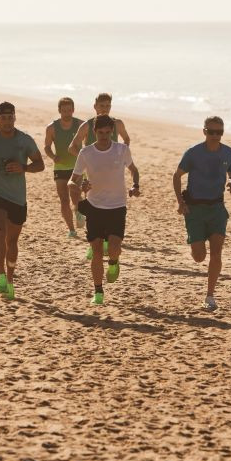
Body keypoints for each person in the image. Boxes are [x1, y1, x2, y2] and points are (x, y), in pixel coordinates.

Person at [0, 102, 44, 301]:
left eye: (10, 117)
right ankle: (0, 274)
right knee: (0, 231)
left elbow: (40, 164)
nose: (6, 121)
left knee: (12, 241)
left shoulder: (24, 140)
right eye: (3, 118)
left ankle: (10, 279)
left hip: (18, 198)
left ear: (14, 118)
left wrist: (24, 167)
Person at [68, 115, 140, 306]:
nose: (104, 136)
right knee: (97, 250)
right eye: (101, 133)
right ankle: (98, 291)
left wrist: (135, 184)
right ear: (94, 132)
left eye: (108, 132)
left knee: (114, 248)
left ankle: (114, 262)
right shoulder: (86, 153)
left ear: (112, 132)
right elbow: (72, 179)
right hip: (95, 206)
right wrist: (78, 187)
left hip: (117, 206)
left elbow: (134, 169)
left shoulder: (122, 149)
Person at [172, 116, 231, 312]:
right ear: (204, 132)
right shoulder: (193, 153)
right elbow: (177, 176)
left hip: (217, 208)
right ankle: (196, 246)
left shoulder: (229, 152)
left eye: (219, 132)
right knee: (199, 256)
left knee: (217, 252)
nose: (215, 136)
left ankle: (210, 295)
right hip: (195, 209)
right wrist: (181, 202)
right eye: (211, 132)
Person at [69, 92, 131, 258]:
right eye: (101, 106)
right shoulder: (87, 125)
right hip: (92, 171)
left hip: (111, 169)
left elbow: (126, 139)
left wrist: (121, 159)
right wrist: (86, 161)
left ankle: (103, 244)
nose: (104, 109)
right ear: (95, 106)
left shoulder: (117, 123)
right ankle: (92, 242)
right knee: (95, 210)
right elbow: (72, 146)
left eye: (108, 106)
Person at [43, 97, 84, 238]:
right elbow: (46, 147)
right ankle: (71, 230)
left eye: (69, 110)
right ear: (59, 110)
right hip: (59, 167)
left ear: (73, 110)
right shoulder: (51, 128)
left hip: (77, 167)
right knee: (64, 199)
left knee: (76, 194)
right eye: (64, 110)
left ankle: (78, 212)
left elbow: (91, 142)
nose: (67, 113)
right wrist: (53, 157)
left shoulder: (80, 125)